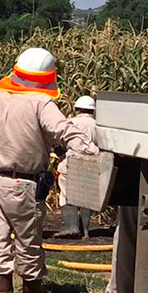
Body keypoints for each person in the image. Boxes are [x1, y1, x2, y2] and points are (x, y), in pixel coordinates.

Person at [0, 47, 96, 293]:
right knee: (28, 239)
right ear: (48, 77)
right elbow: (63, 131)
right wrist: (91, 151)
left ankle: (2, 292)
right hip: (22, 182)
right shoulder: (41, 103)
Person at [57, 95, 97, 238]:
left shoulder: (71, 122)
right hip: (91, 163)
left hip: (72, 160)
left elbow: (59, 142)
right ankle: (86, 231)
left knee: (67, 193)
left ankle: (72, 227)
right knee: (86, 196)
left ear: (77, 109)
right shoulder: (97, 124)